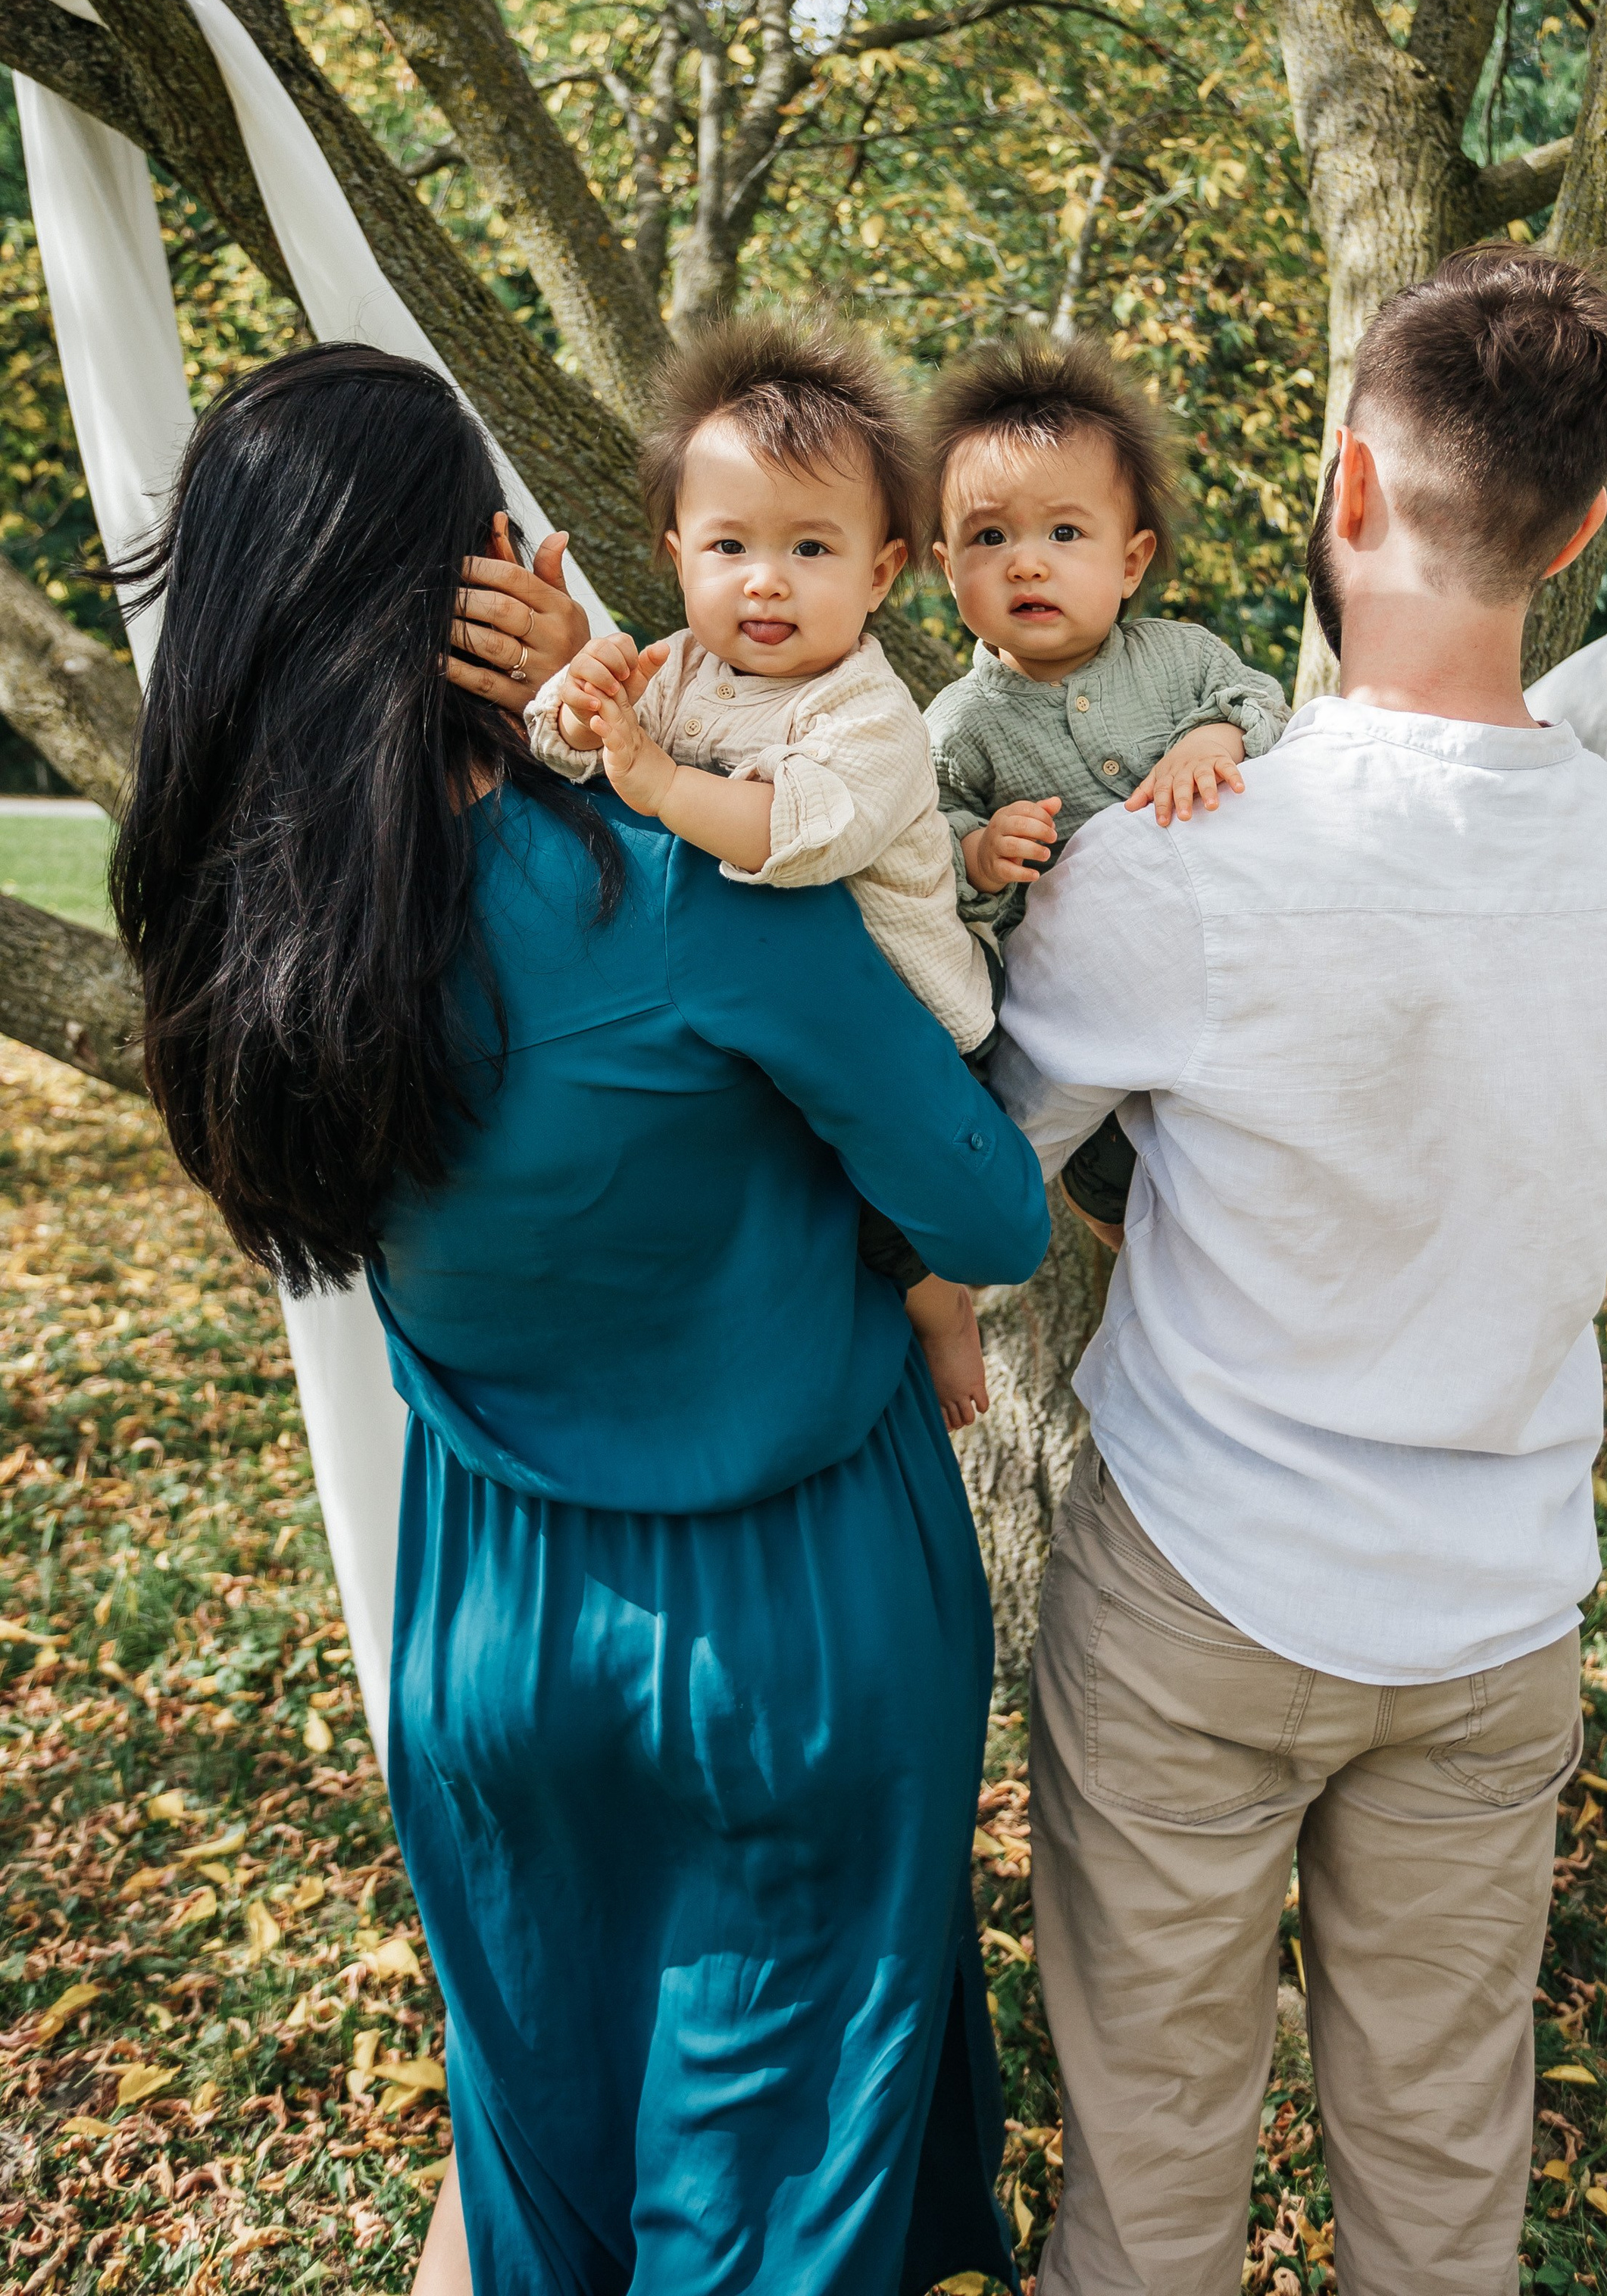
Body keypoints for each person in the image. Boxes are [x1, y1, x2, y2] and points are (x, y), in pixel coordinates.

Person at [109, 341, 1051, 2296]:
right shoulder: (684, 899)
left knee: (545, 2159)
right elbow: (984, 1207)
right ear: (481, 573)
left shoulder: (249, 965)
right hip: (789, 1629)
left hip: (488, 1632)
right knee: (765, 2217)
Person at [992, 251, 1607, 2296]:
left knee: (1150, 2191)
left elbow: (976, 1178)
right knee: (1442, 2190)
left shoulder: (1183, 859)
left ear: (1343, 491)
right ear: (1577, 532)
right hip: (1496, 1616)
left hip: (1204, 1596)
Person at [527, 312, 999, 1429]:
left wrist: (656, 786)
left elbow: (803, 836)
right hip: (779, 1021)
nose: (766, 584)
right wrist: (581, 692)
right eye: (731, 547)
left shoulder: (868, 713)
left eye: (812, 549)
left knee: (897, 1222)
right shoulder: (677, 669)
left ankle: (950, 1320)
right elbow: (559, 748)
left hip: (910, 1032)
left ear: (882, 572)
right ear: (676, 556)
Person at [923, 332, 1288, 1224]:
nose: (1026, 561)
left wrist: (1215, 733)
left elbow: (1266, 707)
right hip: (1070, 1020)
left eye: (1063, 532)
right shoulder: (959, 724)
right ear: (946, 571)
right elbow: (916, 844)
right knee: (1120, 1184)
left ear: (1130, 562)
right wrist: (974, 852)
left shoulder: (1178, 657)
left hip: (1227, 968)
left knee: (1248, 1155)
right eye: (989, 537)